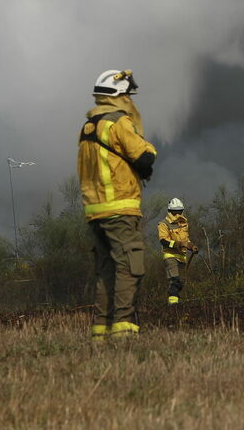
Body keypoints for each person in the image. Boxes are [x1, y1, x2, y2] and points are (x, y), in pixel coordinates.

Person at [78, 69, 157, 340]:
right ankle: (124, 330)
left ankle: (100, 331)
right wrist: (149, 151)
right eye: (128, 95)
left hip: (95, 211)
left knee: (106, 271)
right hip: (119, 209)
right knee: (129, 266)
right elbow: (144, 157)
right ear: (120, 96)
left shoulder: (89, 126)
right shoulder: (118, 122)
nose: (130, 101)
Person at [158, 198, 197, 305]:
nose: (177, 214)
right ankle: (173, 306)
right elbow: (163, 241)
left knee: (181, 282)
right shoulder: (163, 224)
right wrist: (179, 244)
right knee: (174, 280)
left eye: (179, 211)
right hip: (170, 256)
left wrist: (190, 245)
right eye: (175, 212)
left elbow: (186, 239)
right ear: (170, 211)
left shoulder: (184, 223)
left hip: (182, 257)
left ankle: (177, 301)